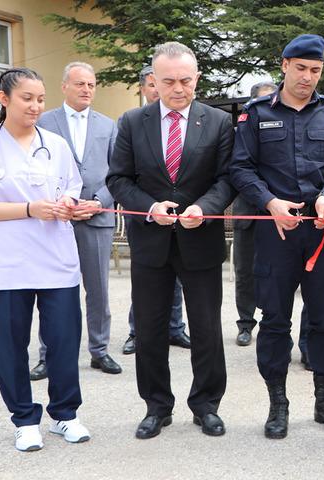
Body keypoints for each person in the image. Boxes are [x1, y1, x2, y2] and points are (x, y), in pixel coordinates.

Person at [107, 41, 236, 439]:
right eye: (168, 81)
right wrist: (149, 207)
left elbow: (228, 178)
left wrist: (205, 208)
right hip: (151, 242)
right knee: (149, 328)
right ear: (153, 81)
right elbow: (118, 180)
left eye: (185, 80)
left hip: (201, 240)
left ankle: (206, 405)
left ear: (196, 78)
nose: (178, 88)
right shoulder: (132, 121)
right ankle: (156, 407)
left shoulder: (218, 122)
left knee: (206, 328)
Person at [229, 34, 324, 439]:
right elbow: (241, 168)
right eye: (300, 68)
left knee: (322, 319)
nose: (307, 77)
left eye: (315, 70)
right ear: (284, 65)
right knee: (275, 320)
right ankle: (278, 403)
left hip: (321, 229)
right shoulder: (256, 113)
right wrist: (268, 203)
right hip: (276, 232)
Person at [0, 67, 91, 451]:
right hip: (6, 266)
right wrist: (28, 209)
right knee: (11, 345)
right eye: (27, 98)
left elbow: (72, 186)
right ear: (4, 99)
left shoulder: (54, 143)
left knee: (64, 342)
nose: (36, 106)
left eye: (40, 98)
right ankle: (24, 418)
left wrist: (71, 204)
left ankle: (65, 415)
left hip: (56, 260)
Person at [28, 62, 122, 380]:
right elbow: (33, 169)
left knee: (98, 290)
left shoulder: (108, 126)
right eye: (80, 84)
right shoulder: (44, 121)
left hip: (97, 217)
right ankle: (48, 354)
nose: (86, 90)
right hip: (55, 219)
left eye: (91, 85)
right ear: (64, 86)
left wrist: (99, 202)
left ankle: (99, 350)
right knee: (52, 289)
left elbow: (119, 173)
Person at [121, 65, 192, 356]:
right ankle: (138, 331)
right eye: (153, 85)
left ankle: (175, 327)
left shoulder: (191, 121)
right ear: (145, 88)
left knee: (177, 277)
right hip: (146, 215)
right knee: (147, 282)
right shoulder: (131, 122)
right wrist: (149, 206)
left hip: (185, 218)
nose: (158, 90)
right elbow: (121, 174)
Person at [233, 80, 279, 348]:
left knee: (275, 274)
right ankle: (245, 324)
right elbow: (237, 172)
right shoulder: (241, 131)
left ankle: (272, 322)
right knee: (245, 272)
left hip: (279, 214)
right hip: (248, 213)